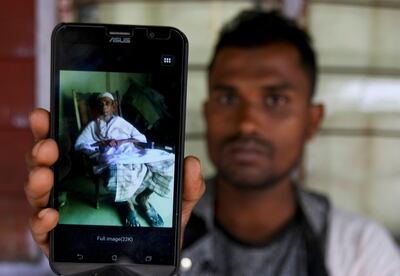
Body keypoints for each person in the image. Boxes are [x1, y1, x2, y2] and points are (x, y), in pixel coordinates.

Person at [25, 10, 400, 276]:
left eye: (275, 99)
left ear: (312, 120)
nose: (248, 122)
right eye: (228, 97)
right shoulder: (172, 236)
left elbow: (139, 138)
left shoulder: (361, 251)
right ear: (206, 110)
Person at [75, 92, 175, 227]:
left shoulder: (121, 122)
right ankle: (128, 205)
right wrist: (101, 144)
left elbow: (141, 138)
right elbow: (80, 144)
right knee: (116, 173)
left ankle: (143, 198)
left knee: (169, 162)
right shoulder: (93, 126)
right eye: (101, 104)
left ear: (113, 106)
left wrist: (122, 141)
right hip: (111, 156)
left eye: (107, 103)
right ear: (98, 108)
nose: (104, 106)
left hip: (130, 151)